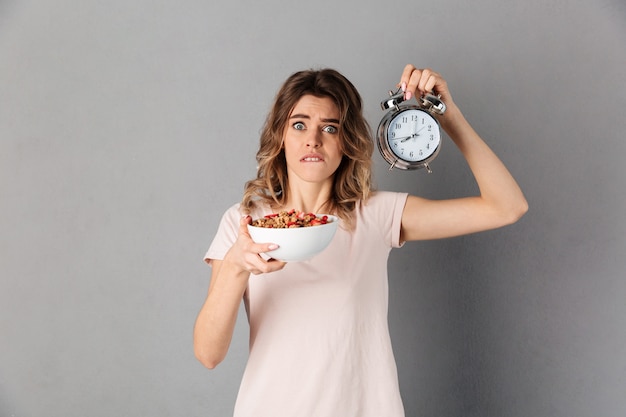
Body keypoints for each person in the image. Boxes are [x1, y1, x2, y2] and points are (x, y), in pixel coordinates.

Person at [193, 65, 528, 417]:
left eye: (330, 127)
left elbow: (507, 207)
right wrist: (235, 264)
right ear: (280, 135)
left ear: (346, 141)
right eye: (299, 124)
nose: (313, 139)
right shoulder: (244, 223)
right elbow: (208, 354)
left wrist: (449, 116)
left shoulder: (375, 215)